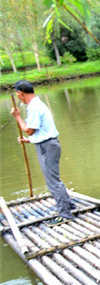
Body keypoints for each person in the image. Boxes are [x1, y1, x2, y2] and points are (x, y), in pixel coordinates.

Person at [9, 80, 76, 225]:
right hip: (47, 143)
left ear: (20, 93)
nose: (17, 95)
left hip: (47, 146)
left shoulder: (34, 107)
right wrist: (29, 140)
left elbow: (29, 130)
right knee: (54, 178)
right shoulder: (37, 104)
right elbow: (39, 131)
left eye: (17, 93)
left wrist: (17, 117)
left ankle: (65, 214)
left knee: (52, 181)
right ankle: (68, 205)